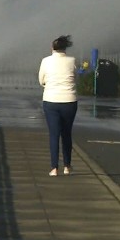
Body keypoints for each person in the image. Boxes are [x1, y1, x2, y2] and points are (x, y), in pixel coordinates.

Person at [38, 34, 78, 177]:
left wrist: (48, 84)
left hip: (51, 101)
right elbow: (75, 78)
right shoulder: (72, 60)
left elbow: (41, 80)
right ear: (65, 48)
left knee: (54, 134)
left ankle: (54, 168)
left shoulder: (45, 61)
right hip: (69, 101)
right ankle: (67, 166)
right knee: (66, 133)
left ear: (52, 48)